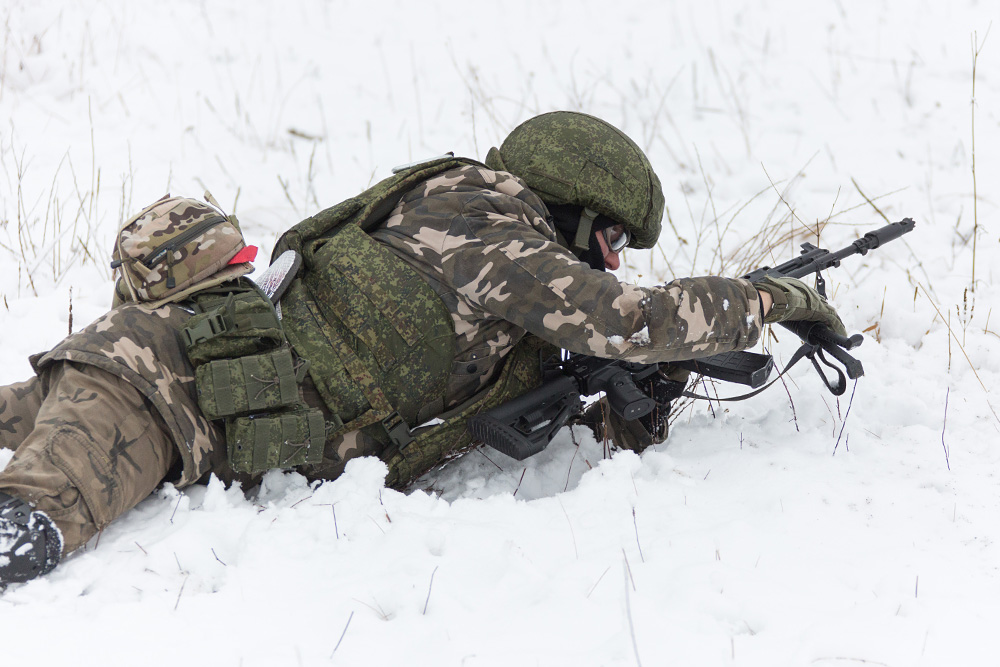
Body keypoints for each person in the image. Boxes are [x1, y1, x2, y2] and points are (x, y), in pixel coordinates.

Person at [0, 111, 844, 584]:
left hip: (229, 394)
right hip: (167, 382)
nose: (615, 261)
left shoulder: (483, 230)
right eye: (613, 238)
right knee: (33, 519)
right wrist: (769, 298)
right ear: (573, 211)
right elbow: (628, 318)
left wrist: (650, 394)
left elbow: (598, 387)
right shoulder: (480, 222)